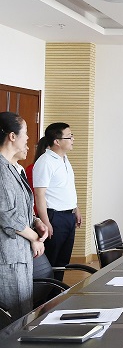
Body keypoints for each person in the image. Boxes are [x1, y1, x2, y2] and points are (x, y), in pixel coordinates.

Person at [0, 112, 48, 320]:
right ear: (12, 136)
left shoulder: (11, 167)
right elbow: (6, 214)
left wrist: (36, 221)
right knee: (12, 320)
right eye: (25, 132)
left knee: (23, 313)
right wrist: (34, 237)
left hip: (19, 253)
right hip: (8, 255)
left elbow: (21, 207)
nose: (28, 138)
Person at [33, 122, 81, 280]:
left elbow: (67, 188)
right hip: (54, 217)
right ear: (57, 141)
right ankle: (46, 295)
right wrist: (46, 222)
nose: (73, 139)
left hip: (68, 216)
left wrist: (76, 209)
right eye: (69, 136)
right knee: (51, 264)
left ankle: (57, 293)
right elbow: (39, 195)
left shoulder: (64, 159)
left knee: (62, 263)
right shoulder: (45, 162)